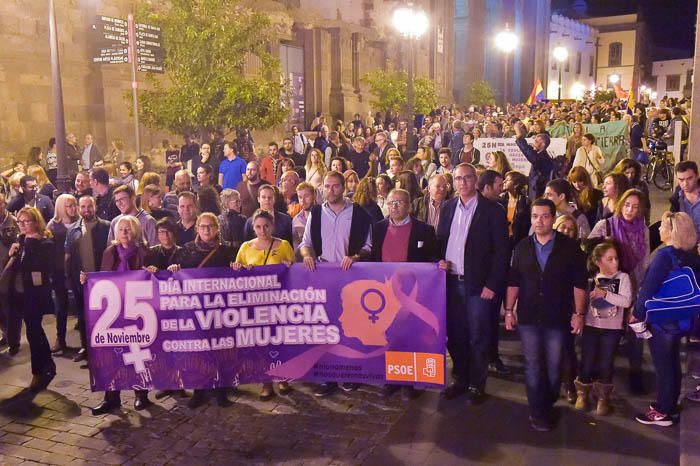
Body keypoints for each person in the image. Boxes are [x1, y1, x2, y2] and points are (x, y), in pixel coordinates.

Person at [505, 198, 587, 431]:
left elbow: (579, 284)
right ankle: (537, 411)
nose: (539, 221)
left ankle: (548, 399)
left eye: (544, 216)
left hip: (557, 316)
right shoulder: (521, 247)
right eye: (535, 216)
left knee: (553, 366)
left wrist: (579, 313)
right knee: (532, 364)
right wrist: (509, 310)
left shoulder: (569, 248)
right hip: (529, 316)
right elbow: (514, 281)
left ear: (552, 218)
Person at [436, 163, 510, 404]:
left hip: (478, 285)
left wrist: (492, 284)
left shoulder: (493, 210)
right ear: (453, 182)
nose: (463, 183)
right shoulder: (447, 208)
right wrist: (439, 261)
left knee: (478, 336)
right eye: (458, 179)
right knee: (455, 335)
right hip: (450, 282)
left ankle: (477, 385)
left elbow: (501, 252)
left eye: (468, 178)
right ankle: (460, 379)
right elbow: (441, 240)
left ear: (476, 181)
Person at [299, 171, 372, 397]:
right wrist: (306, 255)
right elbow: (305, 243)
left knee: (350, 328)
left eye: (335, 187)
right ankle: (328, 376)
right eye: (327, 187)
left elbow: (368, 246)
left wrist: (357, 257)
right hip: (323, 277)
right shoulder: (317, 214)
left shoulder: (359, 213)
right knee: (326, 328)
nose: (330, 191)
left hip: (350, 277)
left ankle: (350, 374)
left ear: (344, 188)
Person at [632, 212, 700, 426]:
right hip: (681, 319)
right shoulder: (690, 255)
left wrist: (637, 314)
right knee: (672, 364)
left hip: (661, 320)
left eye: (662, 225)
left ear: (671, 231)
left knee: (663, 366)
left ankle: (663, 411)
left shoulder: (664, 256)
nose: (659, 229)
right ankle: (669, 405)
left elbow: (648, 289)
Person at [168, 213, 237, 409]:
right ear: (197, 228)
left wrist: (236, 266)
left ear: (217, 229)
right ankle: (199, 390)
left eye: (210, 226)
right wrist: (173, 268)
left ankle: (221, 390)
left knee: (220, 350)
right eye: (203, 226)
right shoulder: (186, 250)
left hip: (218, 310)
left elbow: (236, 274)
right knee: (197, 350)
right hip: (194, 311)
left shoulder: (226, 252)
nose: (206, 230)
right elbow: (172, 273)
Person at [88, 215, 152, 414]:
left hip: (136, 312)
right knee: (111, 354)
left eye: (128, 229)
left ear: (135, 231)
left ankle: (141, 395)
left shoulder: (144, 253)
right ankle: (111, 398)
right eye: (121, 229)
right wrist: (88, 280)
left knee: (137, 354)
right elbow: (102, 279)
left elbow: (151, 280)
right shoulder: (109, 252)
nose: (125, 232)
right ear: (116, 232)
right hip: (113, 312)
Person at [232, 209, 294, 400]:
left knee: (280, 341)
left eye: (266, 226)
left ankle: (282, 377)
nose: (262, 230)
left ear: (272, 225)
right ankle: (266, 382)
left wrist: (289, 266)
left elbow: (295, 270)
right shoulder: (245, 247)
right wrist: (240, 269)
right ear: (253, 227)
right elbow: (236, 271)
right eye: (258, 226)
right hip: (255, 304)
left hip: (278, 302)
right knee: (261, 344)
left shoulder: (283, 245)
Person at [575, 242, 632, 416]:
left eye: (616, 258)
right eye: (609, 259)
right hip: (592, 326)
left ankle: (602, 398)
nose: (615, 262)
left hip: (612, 328)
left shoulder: (623, 278)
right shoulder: (592, 279)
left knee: (606, 362)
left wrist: (606, 294)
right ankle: (582, 393)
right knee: (587, 360)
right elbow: (583, 302)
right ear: (599, 262)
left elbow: (626, 301)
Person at [7, 207, 56, 392]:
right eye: (20, 222)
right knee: (34, 331)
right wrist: (13, 252)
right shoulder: (21, 240)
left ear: (36, 221)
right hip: (20, 293)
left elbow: (38, 266)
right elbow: (16, 267)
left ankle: (39, 371)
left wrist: (30, 244)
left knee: (34, 331)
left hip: (36, 295)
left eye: (27, 221)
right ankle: (48, 365)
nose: (23, 225)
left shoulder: (45, 242)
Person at [65, 196, 110, 363]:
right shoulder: (73, 230)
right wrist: (70, 279)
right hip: (81, 281)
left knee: (103, 315)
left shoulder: (106, 226)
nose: (86, 210)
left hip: (102, 280)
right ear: (78, 208)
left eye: (89, 206)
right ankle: (85, 347)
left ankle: (103, 349)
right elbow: (68, 257)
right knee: (83, 315)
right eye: (82, 206)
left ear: (95, 207)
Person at [46, 194, 79, 355]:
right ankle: (60, 339)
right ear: (60, 207)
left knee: (81, 305)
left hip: (77, 270)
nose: (73, 209)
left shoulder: (80, 222)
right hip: (59, 271)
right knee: (61, 306)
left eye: (74, 205)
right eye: (68, 206)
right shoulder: (53, 225)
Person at [514, 121, 554, 199]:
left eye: (536, 141)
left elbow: (528, 153)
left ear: (542, 145)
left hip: (539, 195)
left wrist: (519, 136)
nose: (533, 143)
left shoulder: (543, 158)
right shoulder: (539, 155)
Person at [0, 194, 19, 356]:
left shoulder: (13, 222)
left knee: (10, 308)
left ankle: (13, 340)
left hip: (10, 270)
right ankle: (4, 335)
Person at [500, 170, 531, 247]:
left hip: (518, 241)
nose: (504, 182)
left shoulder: (525, 202)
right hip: (502, 239)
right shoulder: (501, 199)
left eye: (507, 180)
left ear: (516, 184)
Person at [670, 161, 700, 237]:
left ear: (697, 176)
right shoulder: (677, 197)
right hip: (684, 242)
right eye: (681, 180)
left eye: (689, 178)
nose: (685, 184)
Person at [218, 189, 246, 254]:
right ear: (226, 204)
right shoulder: (241, 219)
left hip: (223, 254)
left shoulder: (218, 219)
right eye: (236, 202)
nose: (239, 205)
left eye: (239, 201)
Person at [291, 182, 315, 250]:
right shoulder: (296, 220)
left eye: (306, 196)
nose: (303, 200)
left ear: (314, 195)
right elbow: (296, 245)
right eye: (300, 197)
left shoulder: (324, 215)